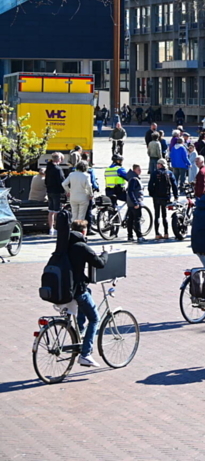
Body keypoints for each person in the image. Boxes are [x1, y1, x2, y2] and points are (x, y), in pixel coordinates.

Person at [64, 216, 109, 367]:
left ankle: (80, 330)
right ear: (84, 231)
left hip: (64, 288)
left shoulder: (64, 243)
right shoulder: (82, 247)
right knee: (95, 319)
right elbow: (100, 263)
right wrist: (106, 253)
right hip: (76, 290)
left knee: (87, 292)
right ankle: (86, 354)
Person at [148, 158, 179, 240]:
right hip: (166, 197)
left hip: (156, 197)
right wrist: (176, 195)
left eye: (158, 164)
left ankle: (157, 234)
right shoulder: (169, 173)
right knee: (164, 216)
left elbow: (150, 185)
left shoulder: (155, 173)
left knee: (157, 215)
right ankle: (166, 233)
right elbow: (174, 185)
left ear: (160, 165)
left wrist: (152, 194)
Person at [123, 163, 146, 243]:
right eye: (138, 170)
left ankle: (130, 236)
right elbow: (130, 191)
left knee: (130, 220)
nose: (140, 171)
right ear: (134, 170)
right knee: (136, 220)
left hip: (131, 203)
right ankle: (139, 236)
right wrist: (136, 202)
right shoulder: (134, 179)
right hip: (135, 202)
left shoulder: (132, 178)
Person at [44, 152, 65, 233]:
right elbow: (62, 181)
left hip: (49, 190)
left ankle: (51, 229)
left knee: (51, 210)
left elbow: (46, 181)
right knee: (57, 211)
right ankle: (57, 227)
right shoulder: (58, 169)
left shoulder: (48, 168)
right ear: (59, 159)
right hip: (57, 191)